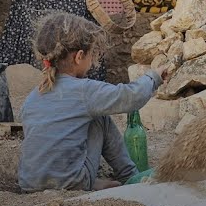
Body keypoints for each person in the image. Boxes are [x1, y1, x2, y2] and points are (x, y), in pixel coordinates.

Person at [18, 12, 167, 191]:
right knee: (99, 118)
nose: (93, 61)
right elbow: (130, 97)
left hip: (28, 183)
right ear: (79, 56)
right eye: (92, 55)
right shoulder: (84, 91)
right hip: (70, 182)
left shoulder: (33, 96)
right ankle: (129, 175)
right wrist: (154, 77)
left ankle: (93, 181)